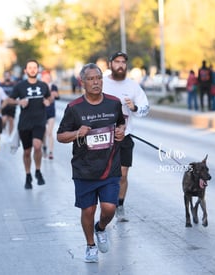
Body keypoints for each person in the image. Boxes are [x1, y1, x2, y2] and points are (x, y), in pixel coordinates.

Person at [57, 63, 126, 263]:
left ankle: (101, 228)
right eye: (91, 79)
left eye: (99, 78)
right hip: (84, 168)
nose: (96, 82)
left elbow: (121, 122)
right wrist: (78, 133)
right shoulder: (74, 108)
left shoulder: (114, 103)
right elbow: (61, 136)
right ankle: (90, 245)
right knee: (88, 210)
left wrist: (121, 130)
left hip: (110, 166)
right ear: (83, 82)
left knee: (109, 209)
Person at [102, 51, 150, 222]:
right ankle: (105, 206)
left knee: (122, 175)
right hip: (103, 137)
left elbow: (145, 108)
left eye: (123, 62)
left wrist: (134, 107)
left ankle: (120, 205)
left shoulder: (132, 86)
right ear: (110, 64)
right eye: (117, 62)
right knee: (105, 174)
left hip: (125, 137)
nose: (120, 65)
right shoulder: (102, 83)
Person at [6, 59, 52, 189]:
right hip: (25, 123)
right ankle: (28, 175)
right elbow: (9, 100)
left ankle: (37, 171)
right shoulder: (20, 86)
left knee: (37, 146)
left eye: (34, 67)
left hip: (39, 121)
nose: (32, 70)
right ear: (25, 71)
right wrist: (19, 102)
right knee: (27, 152)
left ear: (38, 70)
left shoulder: (43, 85)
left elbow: (49, 97)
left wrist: (48, 101)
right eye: (30, 68)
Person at [41, 70, 59, 160]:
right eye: (46, 77)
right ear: (42, 77)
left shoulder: (53, 86)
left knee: (49, 132)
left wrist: (53, 95)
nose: (48, 78)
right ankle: (44, 147)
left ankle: (51, 152)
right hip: (42, 112)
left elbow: (57, 95)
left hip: (51, 111)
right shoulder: (40, 86)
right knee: (43, 132)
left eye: (49, 77)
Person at [0, 71, 17, 136]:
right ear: (4, 76)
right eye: (6, 75)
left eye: (8, 75)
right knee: (3, 119)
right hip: (3, 105)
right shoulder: (1, 85)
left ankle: (10, 136)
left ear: (10, 76)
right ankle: (3, 128)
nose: (7, 77)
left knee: (11, 121)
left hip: (12, 105)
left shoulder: (14, 85)